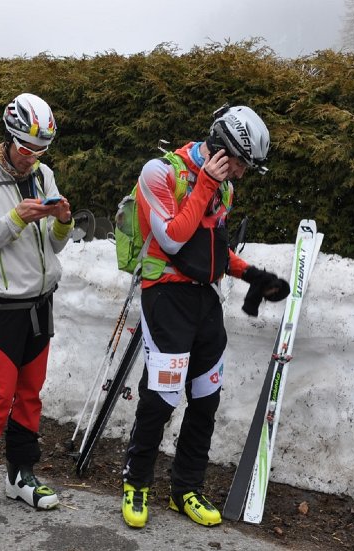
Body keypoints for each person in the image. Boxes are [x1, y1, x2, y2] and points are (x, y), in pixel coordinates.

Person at [120, 105, 291, 528]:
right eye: (241, 163)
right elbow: (173, 238)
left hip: (204, 300)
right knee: (160, 400)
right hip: (165, 297)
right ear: (221, 148)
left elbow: (211, 249)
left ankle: (186, 489)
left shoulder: (223, 187)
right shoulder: (161, 173)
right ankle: (136, 483)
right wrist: (205, 184)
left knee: (206, 399)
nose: (242, 173)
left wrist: (252, 275)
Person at [0, 93, 74, 529]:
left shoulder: (44, 174)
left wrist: (63, 222)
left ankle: (20, 475)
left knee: (30, 396)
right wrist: (16, 220)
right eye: (26, 148)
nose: (33, 157)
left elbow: (53, 245)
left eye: (42, 150)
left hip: (41, 302)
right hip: (2, 306)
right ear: (8, 136)